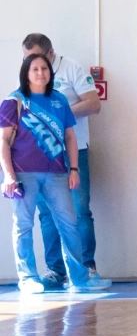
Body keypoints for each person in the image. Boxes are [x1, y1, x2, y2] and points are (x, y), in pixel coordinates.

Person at [0, 53, 109, 294]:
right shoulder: (13, 101)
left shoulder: (59, 99)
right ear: (26, 73)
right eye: (35, 69)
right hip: (23, 174)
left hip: (57, 173)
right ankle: (28, 278)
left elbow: (70, 136)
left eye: (45, 68)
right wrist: (9, 175)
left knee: (69, 224)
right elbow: (3, 141)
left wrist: (74, 168)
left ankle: (79, 278)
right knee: (24, 225)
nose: (41, 73)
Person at [20, 33, 101, 284]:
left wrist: (60, 115)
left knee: (79, 209)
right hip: (41, 156)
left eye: (37, 58)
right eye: (27, 59)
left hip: (73, 151)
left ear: (51, 53)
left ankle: (86, 267)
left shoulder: (71, 69)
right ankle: (56, 270)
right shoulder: (26, 79)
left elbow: (93, 103)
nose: (32, 64)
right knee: (46, 213)